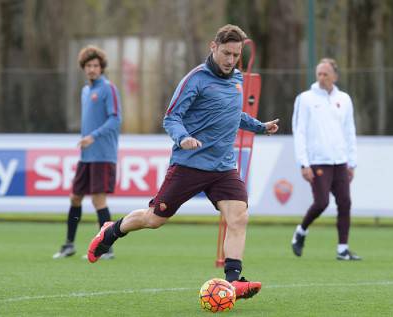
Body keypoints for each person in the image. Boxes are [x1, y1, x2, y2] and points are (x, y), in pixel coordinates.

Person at [87, 24, 279, 299]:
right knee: (154, 219)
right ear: (213, 47)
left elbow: (233, 114)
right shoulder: (195, 80)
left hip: (223, 168)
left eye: (236, 55)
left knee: (238, 216)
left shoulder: (237, 78)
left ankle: (233, 280)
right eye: (226, 53)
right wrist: (183, 138)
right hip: (189, 164)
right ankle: (111, 231)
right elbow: (171, 117)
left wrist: (260, 127)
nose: (230, 60)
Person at [53, 45, 122, 260]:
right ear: (83, 68)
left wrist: (93, 136)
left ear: (102, 68)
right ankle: (69, 245)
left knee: (98, 201)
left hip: (102, 154)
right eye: (88, 66)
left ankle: (106, 248)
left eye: (96, 65)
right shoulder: (86, 91)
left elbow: (115, 119)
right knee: (75, 197)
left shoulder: (108, 88)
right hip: (86, 156)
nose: (92, 69)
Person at [291, 58, 361, 261]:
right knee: (321, 203)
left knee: (345, 203)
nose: (321, 78)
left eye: (326, 74)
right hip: (317, 160)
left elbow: (350, 131)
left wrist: (352, 162)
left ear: (335, 76)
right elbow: (299, 131)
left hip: (340, 161)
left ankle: (343, 249)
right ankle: (301, 231)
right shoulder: (305, 99)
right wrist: (303, 163)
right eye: (319, 74)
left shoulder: (344, 99)